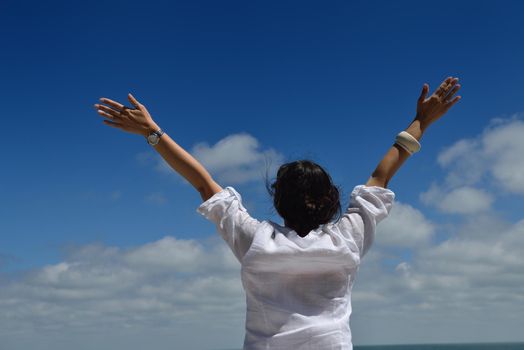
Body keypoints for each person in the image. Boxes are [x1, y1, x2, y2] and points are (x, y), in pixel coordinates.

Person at [94, 76, 461, 349]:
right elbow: (383, 174)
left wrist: (153, 133)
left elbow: (204, 183)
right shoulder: (348, 238)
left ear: (278, 201)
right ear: (331, 200)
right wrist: (422, 122)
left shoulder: (257, 240)